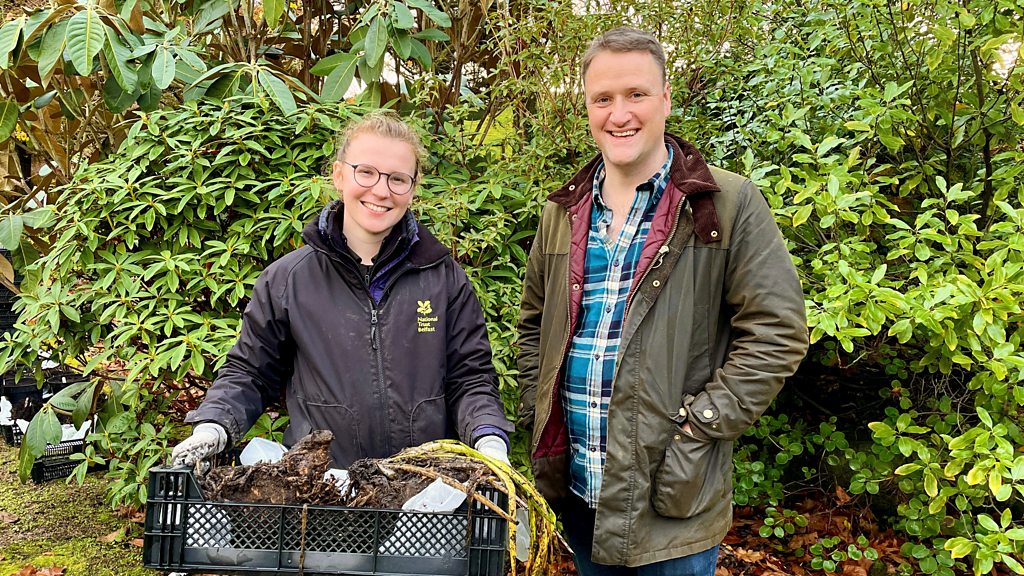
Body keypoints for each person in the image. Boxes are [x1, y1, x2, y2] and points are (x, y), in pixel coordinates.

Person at [516, 27, 809, 575]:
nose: (619, 114)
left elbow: (778, 333)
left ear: (666, 99)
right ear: (587, 108)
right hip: (577, 491)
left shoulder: (726, 205)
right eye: (602, 99)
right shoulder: (562, 212)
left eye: (636, 94)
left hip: (671, 501)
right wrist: (540, 408)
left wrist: (699, 427)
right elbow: (534, 325)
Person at [172, 111, 513, 470]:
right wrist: (214, 426)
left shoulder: (444, 279)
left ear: (413, 189)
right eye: (366, 172)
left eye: (398, 179)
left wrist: (489, 438)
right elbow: (249, 373)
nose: (380, 190)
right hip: (319, 488)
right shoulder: (288, 280)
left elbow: (471, 378)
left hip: (425, 487)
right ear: (339, 175)